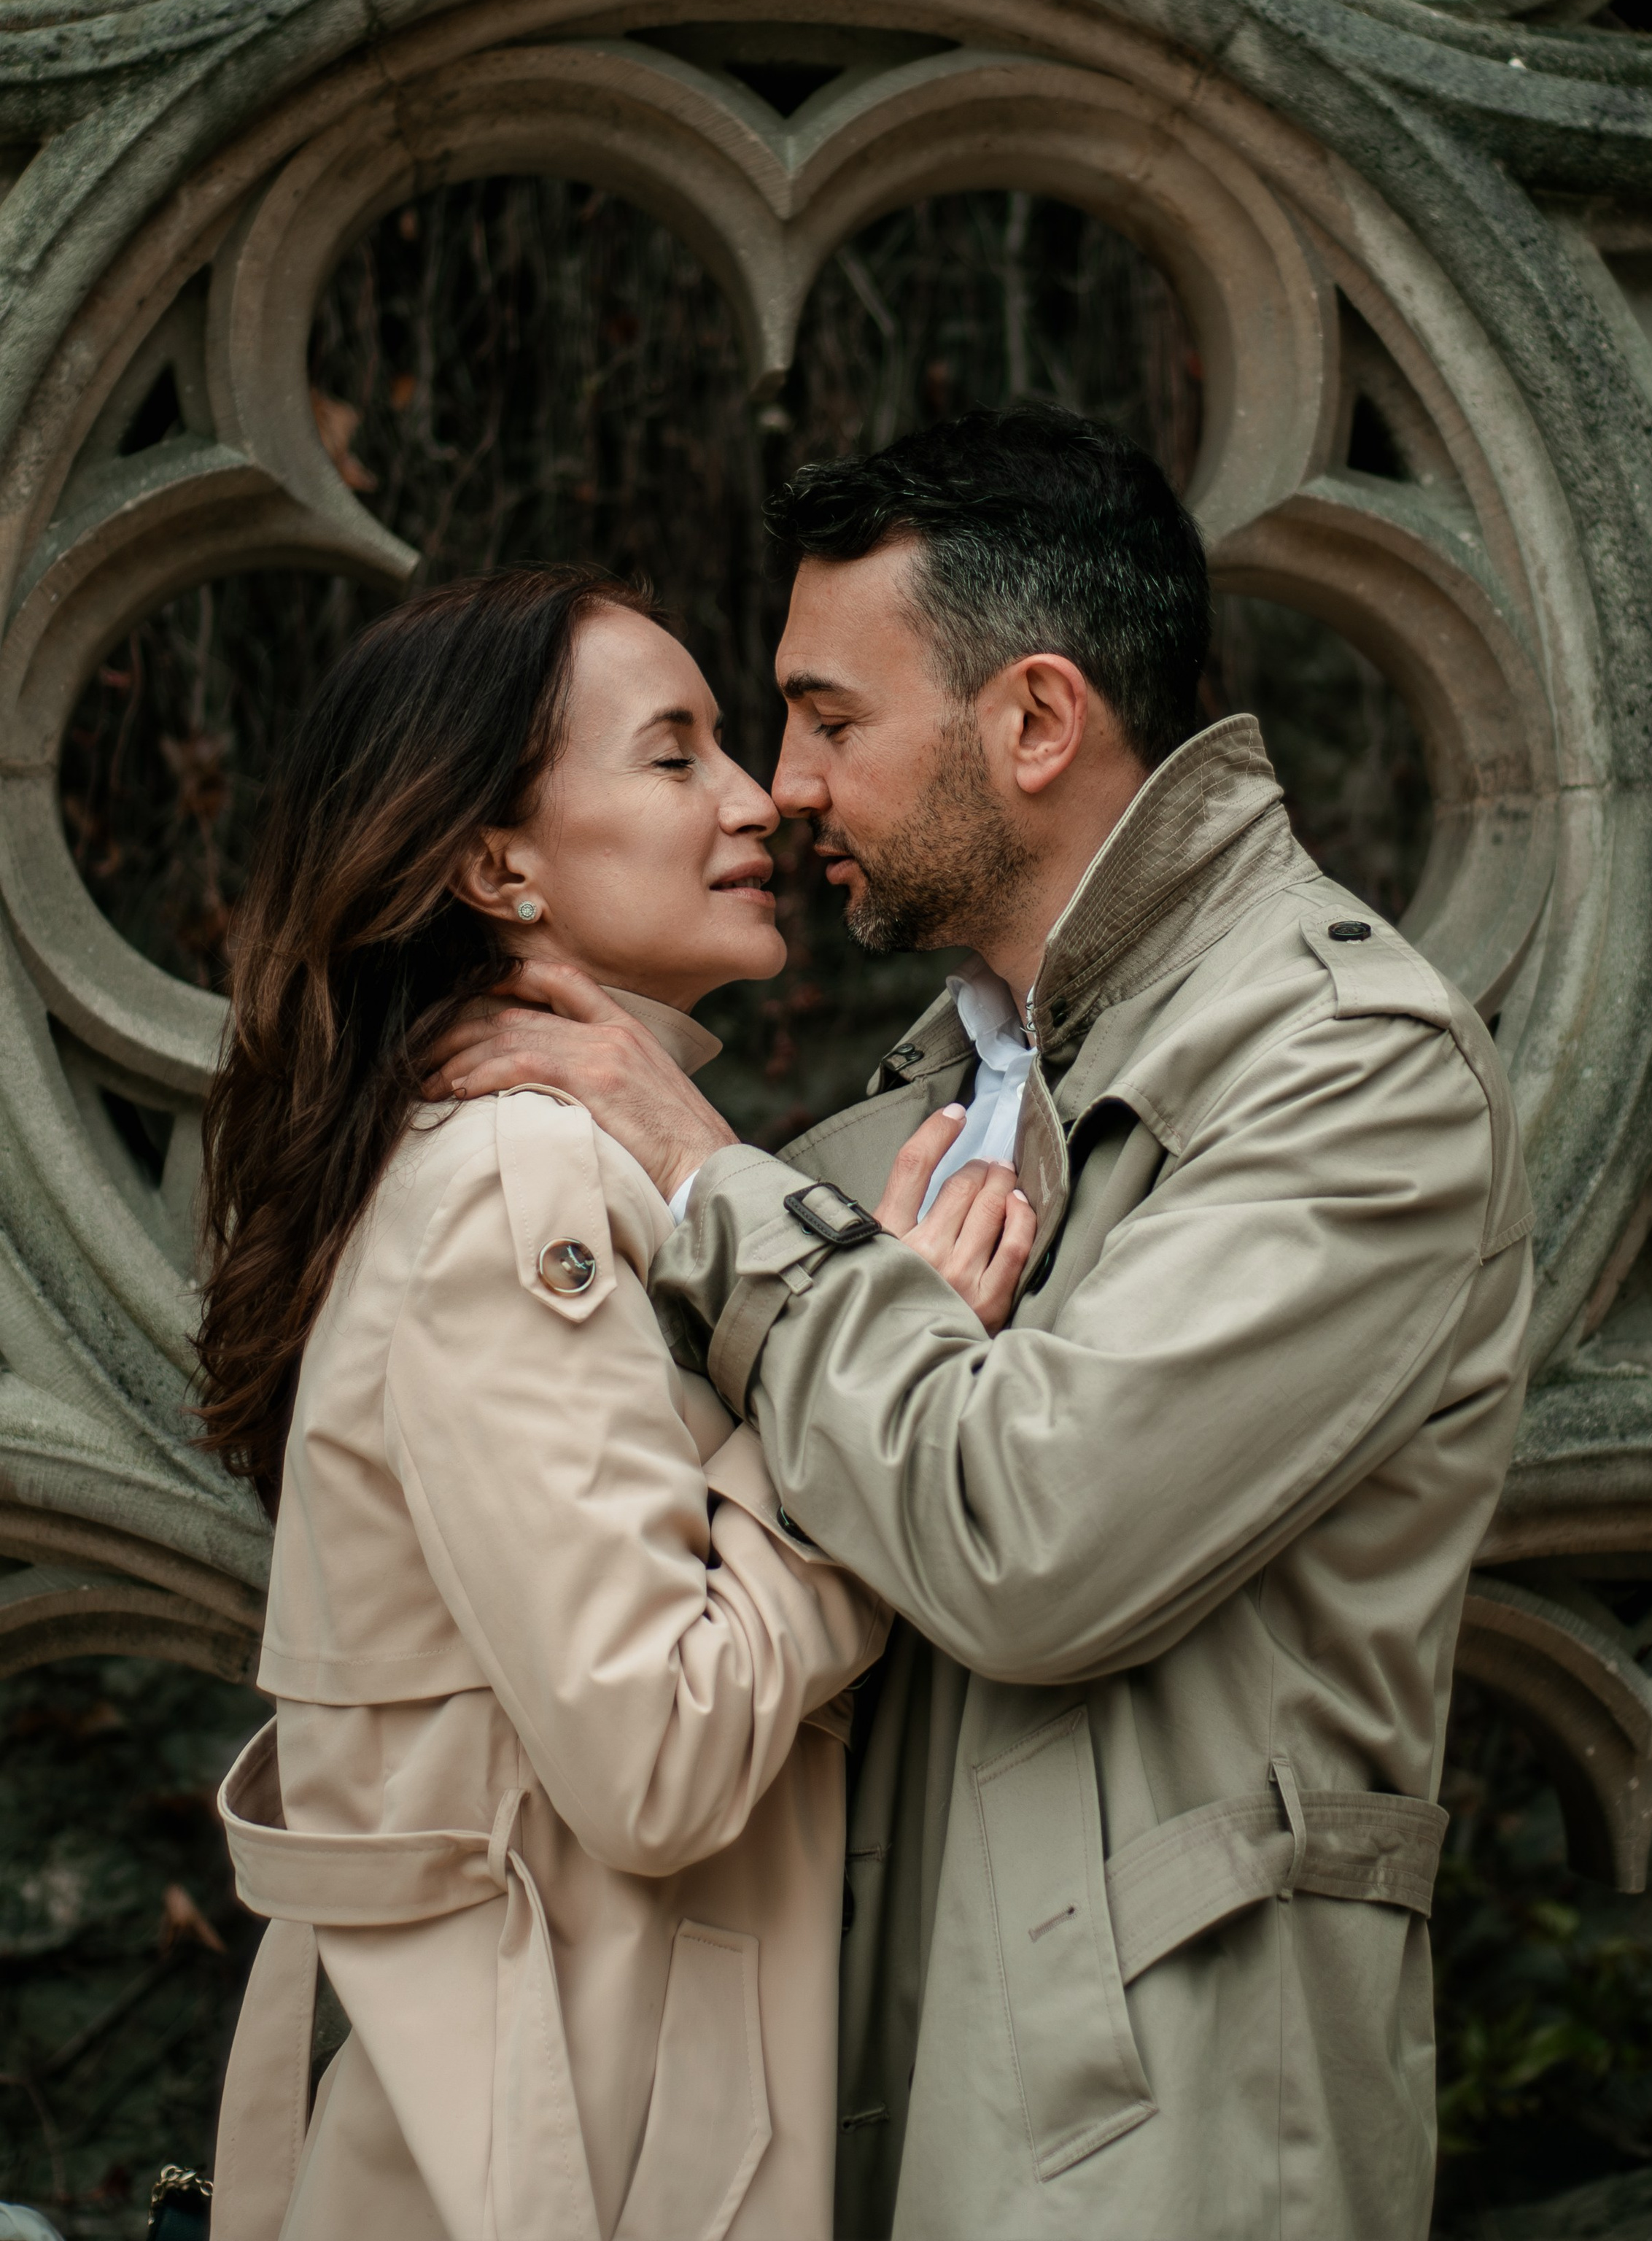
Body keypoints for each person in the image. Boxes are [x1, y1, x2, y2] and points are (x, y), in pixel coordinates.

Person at [431, 407, 1537, 2241]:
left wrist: (713, 1183)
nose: (783, 786)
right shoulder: (894, 1124)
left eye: (830, 718)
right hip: (830, 2121)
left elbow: (1036, 1540)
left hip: (1161, 2153)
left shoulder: (1353, 1077)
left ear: (1033, 720)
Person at [194, 565, 1015, 2241]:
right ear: (498, 862)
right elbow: (656, 1752)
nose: (755, 797)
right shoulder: (515, 1179)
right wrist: (869, 1395)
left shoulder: (547, 1173)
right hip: (578, 2163)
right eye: (673, 754)